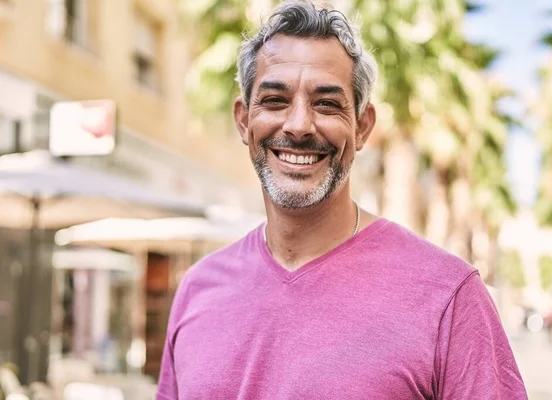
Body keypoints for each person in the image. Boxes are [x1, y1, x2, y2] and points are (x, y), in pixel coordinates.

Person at [157, 1, 528, 399]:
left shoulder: (448, 296)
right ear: (244, 121)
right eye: (276, 100)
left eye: (327, 104)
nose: (299, 125)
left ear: (363, 127)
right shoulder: (198, 290)